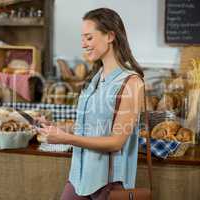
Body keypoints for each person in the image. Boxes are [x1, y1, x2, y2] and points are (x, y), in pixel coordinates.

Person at [36, 7, 145, 200]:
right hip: (79, 177)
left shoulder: (132, 83)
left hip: (109, 184)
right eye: (82, 38)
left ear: (110, 36)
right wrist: (56, 127)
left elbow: (115, 142)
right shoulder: (94, 78)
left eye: (89, 37)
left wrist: (66, 139)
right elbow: (88, 126)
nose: (83, 44)